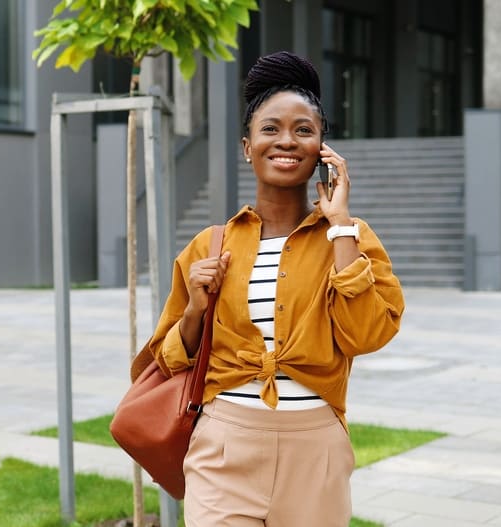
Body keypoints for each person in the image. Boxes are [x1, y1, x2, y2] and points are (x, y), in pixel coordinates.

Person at [130, 51, 405, 526]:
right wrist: (195, 310)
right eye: (270, 128)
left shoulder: (352, 238)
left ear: (322, 148)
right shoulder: (209, 245)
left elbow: (366, 336)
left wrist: (339, 226)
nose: (287, 141)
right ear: (247, 145)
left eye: (304, 130)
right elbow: (168, 357)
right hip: (223, 448)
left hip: (315, 450)